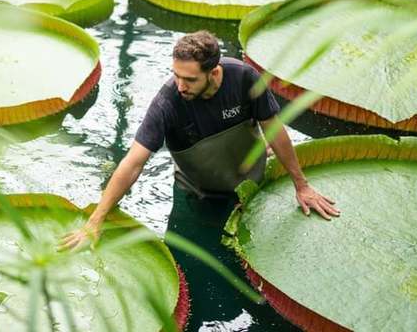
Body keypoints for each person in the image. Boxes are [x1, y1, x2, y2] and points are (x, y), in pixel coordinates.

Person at [61, 30, 339, 252]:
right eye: (176, 76)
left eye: (190, 79)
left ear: (214, 73)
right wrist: (95, 221)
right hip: (197, 195)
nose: (181, 86)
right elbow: (133, 163)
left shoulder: (244, 78)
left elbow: (274, 130)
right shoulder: (167, 103)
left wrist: (301, 186)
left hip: (252, 186)